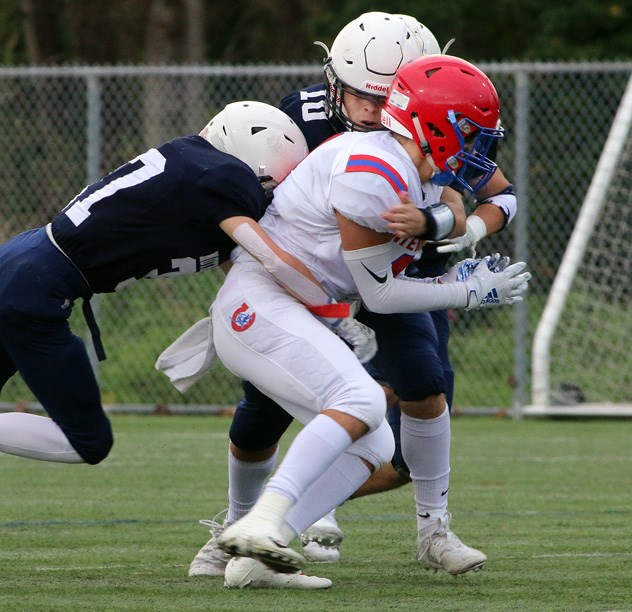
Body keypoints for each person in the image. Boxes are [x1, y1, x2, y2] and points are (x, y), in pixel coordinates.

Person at [184, 53, 529, 586]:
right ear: (432, 126)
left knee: (375, 445)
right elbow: (383, 295)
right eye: (471, 132)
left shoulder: (412, 169)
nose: (481, 146)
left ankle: (256, 555)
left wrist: (450, 255)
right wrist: (464, 290)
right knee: (359, 403)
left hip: (299, 305)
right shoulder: (373, 170)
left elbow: (456, 212)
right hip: (265, 304)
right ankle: (256, 522)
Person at [0, 99, 360, 589]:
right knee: (87, 441)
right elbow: (269, 258)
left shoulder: (192, 161)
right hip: (38, 289)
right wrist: (330, 308)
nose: (271, 197)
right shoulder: (225, 178)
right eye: (272, 183)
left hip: (22, 259)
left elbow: (239, 260)